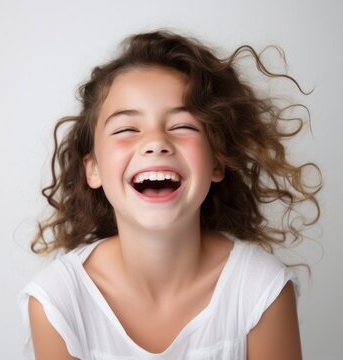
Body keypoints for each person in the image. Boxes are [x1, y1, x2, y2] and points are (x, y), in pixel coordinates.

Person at [19, 30, 321, 360]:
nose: (156, 142)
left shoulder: (261, 290)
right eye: (126, 129)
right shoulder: (59, 300)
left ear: (217, 161)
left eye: (183, 126)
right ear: (93, 170)